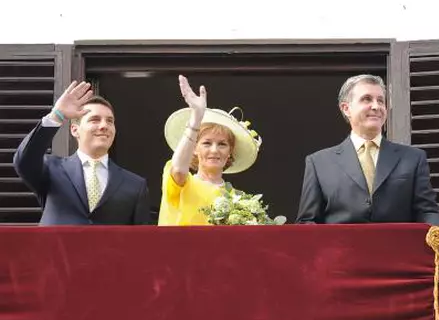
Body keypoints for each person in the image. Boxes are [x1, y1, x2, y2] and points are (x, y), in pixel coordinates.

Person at [296, 74, 439, 225]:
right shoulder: (319, 163)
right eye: (367, 99)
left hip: (397, 241)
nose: (376, 106)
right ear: (346, 108)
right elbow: (308, 221)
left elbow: (428, 212)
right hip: (341, 241)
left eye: (380, 100)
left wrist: (438, 232)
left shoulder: (413, 158)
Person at [13, 81, 149, 225]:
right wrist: (56, 115)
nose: (104, 125)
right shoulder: (50, 169)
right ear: (75, 130)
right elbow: (24, 160)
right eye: (94, 120)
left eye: (110, 121)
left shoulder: (135, 185)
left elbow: (141, 237)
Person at [158, 75, 262, 226]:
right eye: (207, 143)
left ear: (230, 151)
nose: (214, 150)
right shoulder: (185, 183)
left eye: (222, 144)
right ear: (194, 148)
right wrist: (196, 119)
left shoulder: (239, 200)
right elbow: (179, 170)